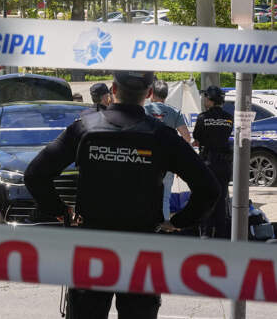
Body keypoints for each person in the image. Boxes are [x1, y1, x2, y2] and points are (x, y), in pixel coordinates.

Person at [24, 71, 220, 319]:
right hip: (141, 247)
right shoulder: (162, 136)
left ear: (113, 89)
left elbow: (35, 174)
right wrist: (179, 221)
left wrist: (60, 210)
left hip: (92, 244)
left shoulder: (84, 128)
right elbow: (209, 188)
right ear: (149, 93)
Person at [144, 80, 192, 221]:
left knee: (145, 196)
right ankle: (163, 226)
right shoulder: (174, 112)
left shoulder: (143, 110)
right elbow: (187, 137)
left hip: (145, 160)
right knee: (165, 197)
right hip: (167, 162)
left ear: (151, 94)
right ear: (166, 95)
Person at [193, 85, 234, 239]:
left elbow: (197, 137)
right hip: (224, 164)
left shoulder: (202, 118)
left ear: (210, 99)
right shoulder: (229, 118)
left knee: (206, 198)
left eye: (205, 97)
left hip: (208, 163)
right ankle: (222, 234)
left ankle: (205, 234)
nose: (204, 100)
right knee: (221, 199)